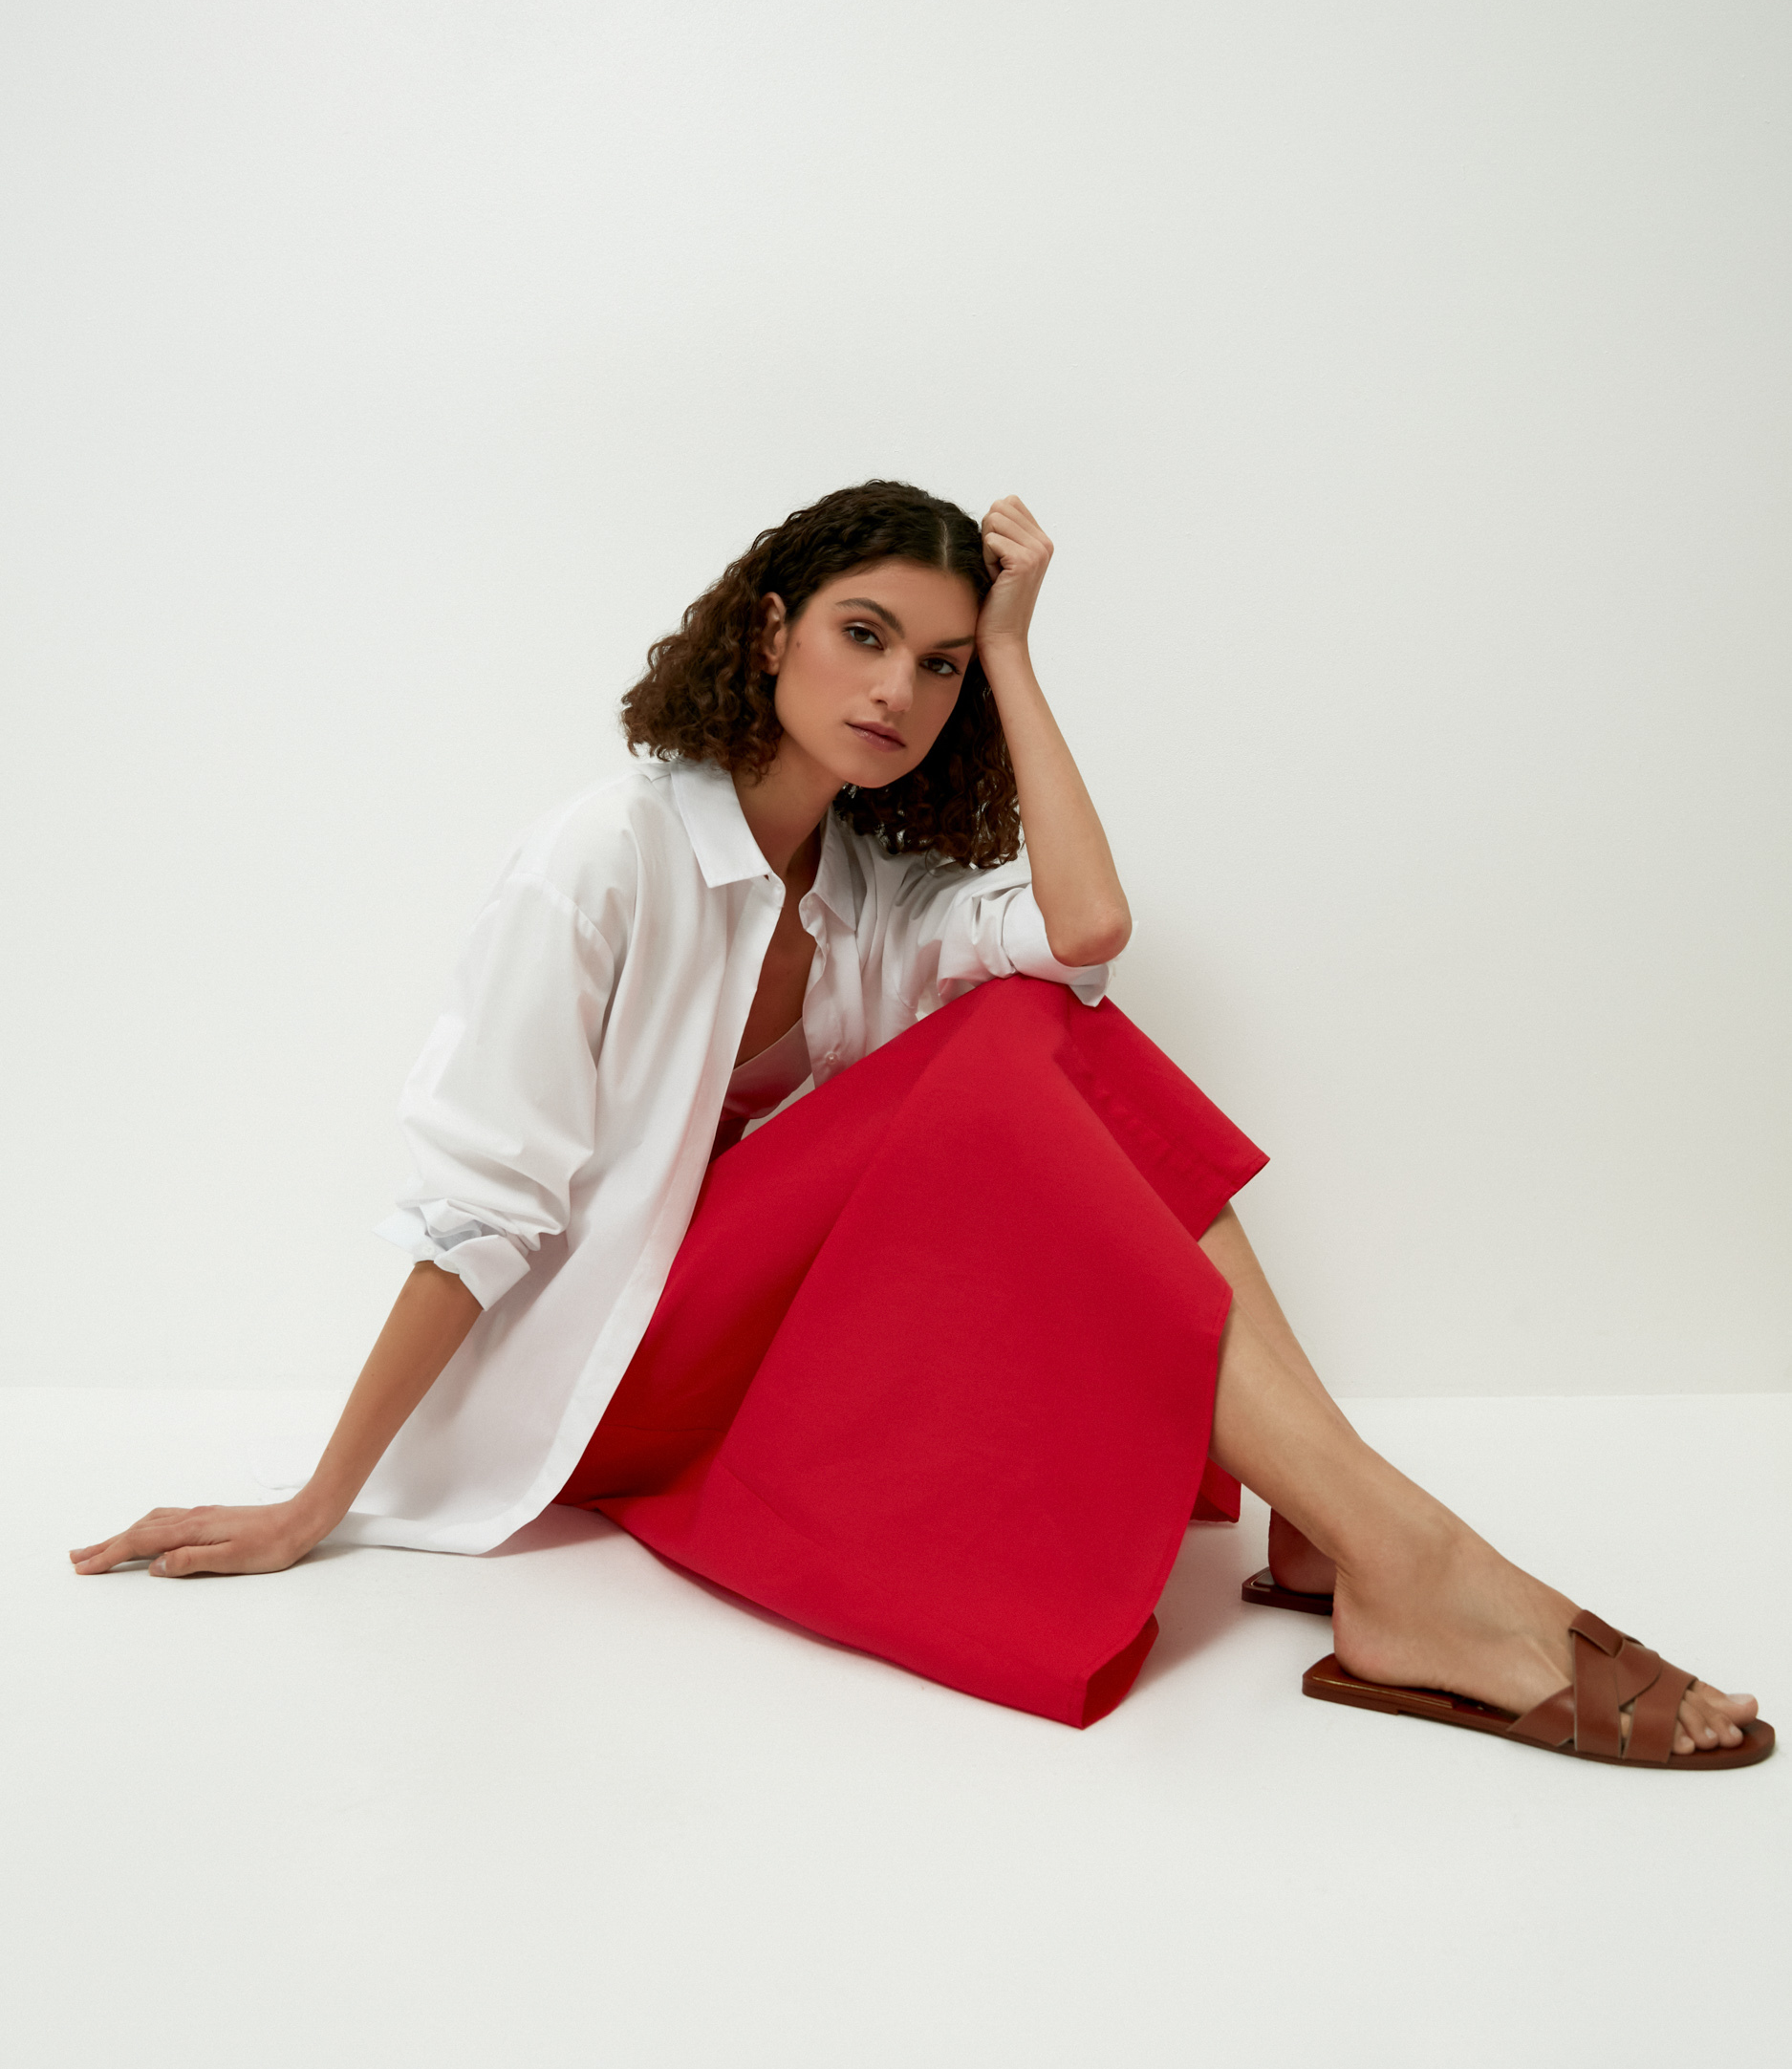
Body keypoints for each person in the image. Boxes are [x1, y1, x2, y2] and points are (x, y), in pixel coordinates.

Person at [71, 482, 1769, 1765]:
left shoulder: (874, 887)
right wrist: (318, 1499)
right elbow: (481, 1203)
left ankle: (1354, 1534)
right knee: (1006, 1045)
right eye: (866, 634)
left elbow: (1087, 932)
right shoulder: (606, 854)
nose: (899, 689)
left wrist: (1018, 653)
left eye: (940, 664)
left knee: (1048, 1020)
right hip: (621, 1362)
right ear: (771, 630)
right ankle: (1399, 1551)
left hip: (764, 1339)